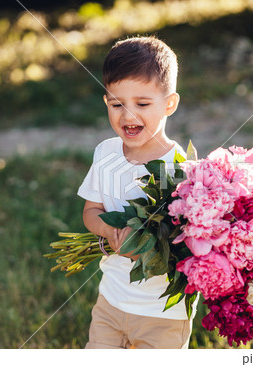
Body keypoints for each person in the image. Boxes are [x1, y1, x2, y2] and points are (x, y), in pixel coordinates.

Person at [77, 36, 194, 349]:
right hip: (111, 302)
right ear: (106, 102)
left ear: (169, 103)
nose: (128, 116)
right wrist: (111, 230)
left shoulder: (180, 169)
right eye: (117, 104)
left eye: (142, 104)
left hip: (162, 314)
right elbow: (91, 211)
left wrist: (151, 244)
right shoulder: (106, 154)